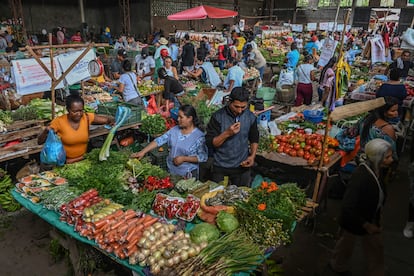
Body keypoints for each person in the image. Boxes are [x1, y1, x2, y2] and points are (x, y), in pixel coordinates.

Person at [329, 139, 393, 276]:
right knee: (345, 246)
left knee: (376, 248)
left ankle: (377, 272)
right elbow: (348, 206)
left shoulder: (378, 170)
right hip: (354, 220)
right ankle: (337, 267)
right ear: (377, 158)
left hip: (370, 217)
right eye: (387, 157)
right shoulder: (361, 176)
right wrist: (366, 225)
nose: (391, 160)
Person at [131, 104, 207, 179]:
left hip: (187, 173)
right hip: (171, 170)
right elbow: (159, 140)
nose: (178, 119)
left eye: (181, 117)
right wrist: (143, 152)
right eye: (178, 116)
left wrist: (184, 158)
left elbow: (203, 157)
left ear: (190, 118)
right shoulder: (175, 130)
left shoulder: (198, 136)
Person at [37, 95, 114, 164]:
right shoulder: (59, 122)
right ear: (68, 109)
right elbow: (40, 142)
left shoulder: (86, 117)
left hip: (83, 159)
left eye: (81, 110)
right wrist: (46, 131)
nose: (79, 114)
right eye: (74, 111)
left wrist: (111, 121)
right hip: (64, 162)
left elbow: (106, 120)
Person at [206, 87, 259, 186]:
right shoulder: (218, 117)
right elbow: (211, 143)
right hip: (220, 167)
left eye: (243, 107)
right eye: (236, 106)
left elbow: (254, 137)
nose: (239, 111)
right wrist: (227, 133)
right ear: (229, 102)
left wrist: (252, 156)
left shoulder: (250, 117)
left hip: (242, 167)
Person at [359, 96, 399, 160]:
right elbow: (393, 152)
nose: (396, 113)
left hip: (363, 157)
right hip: (378, 162)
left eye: (397, 110)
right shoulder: (387, 128)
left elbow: (351, 132)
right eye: (393, 111)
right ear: (384, 112)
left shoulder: (366, 119)